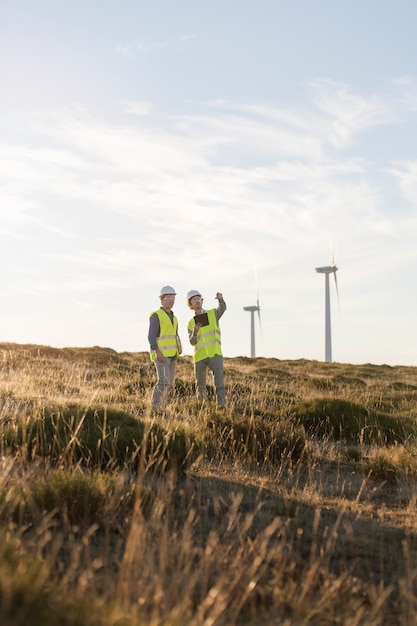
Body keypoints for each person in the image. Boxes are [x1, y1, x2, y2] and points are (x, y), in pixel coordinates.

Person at [187, 290, 226, 407]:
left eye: (199, 298)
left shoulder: (213, 313)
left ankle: (222, 407)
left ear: (202, 301)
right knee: (200, 386)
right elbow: (192, 342)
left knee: (219, 383)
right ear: (190, 304)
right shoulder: (190, 323)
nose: (197, 301)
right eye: (194, 299)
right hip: (200, 356)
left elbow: (222, 309)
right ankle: (201, 407)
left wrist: (220, 299)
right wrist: (195, 332)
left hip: (215, 353)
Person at [148, 285, 182, 408]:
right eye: (168, 297)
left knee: (168, 383)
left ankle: (162, 407)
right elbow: (151, 336)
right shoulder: (156, 315)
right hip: (161, 355)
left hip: (173, 356)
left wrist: (179, 347)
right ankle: (154, 407)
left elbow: (174, 335)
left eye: (173, 297)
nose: (171, 300)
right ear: (161, 300)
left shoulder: (175, 318)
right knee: (162, 382)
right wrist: (157, 352)